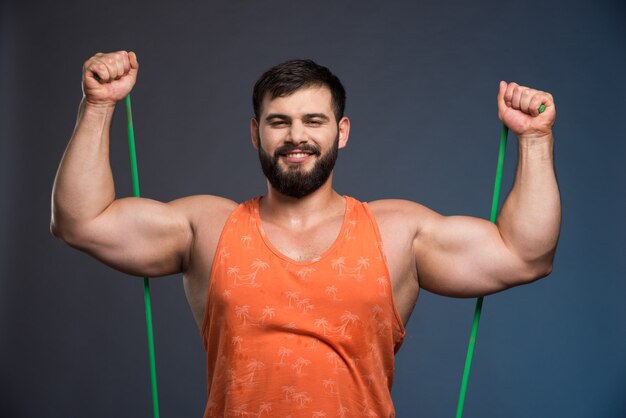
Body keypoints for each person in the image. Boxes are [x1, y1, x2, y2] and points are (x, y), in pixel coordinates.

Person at [51, 50, 560, 417]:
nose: (297, 136)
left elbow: (524, 255)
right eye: (280, 121)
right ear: (256, 133)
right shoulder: (207, 227)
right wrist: (98, 106)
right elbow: (81, 221)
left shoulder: (396, 232)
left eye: (313, 120)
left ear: (341, 131)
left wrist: (534, 140)